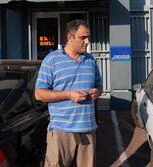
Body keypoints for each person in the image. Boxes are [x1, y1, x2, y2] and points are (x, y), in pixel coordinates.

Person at [35, 19, 103, 167]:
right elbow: (39, 94)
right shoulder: (51, 60)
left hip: (88, 129)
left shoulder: (90, 60)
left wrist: (97, 91)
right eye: (82, 37)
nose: (87, 41)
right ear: (70, 38)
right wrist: (68, 95)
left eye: (88, 37)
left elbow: (99, 85)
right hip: (61, 130)